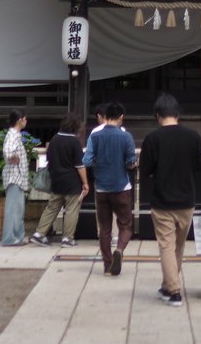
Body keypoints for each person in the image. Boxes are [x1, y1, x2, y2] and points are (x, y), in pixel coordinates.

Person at [138, 92, 201, 307]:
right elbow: (200, 167)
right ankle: (168, 284)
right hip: (186, 200)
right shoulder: (193, 137)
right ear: (177, 113)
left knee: (167, 246)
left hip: (162, 200)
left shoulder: (152, 139)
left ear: (158, 114)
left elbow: (145, 170)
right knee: (178, 246)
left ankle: (174, 290)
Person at [82, 101, 137, 276]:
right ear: (121, 116)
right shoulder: (126, 137)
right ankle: (119, 250)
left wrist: (100, 165)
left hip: (101, 188)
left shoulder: (95, 136)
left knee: (104, 228)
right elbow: (131, 162)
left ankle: (107, 266)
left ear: (105, 116)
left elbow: (86, 160)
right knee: (126, 224)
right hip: (121, 187)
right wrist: (128, 165)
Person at [30, 113, 89, 247]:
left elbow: (49, 159)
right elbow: (79, 165)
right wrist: (85, 182)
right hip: (72, 182)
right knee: (71, 209)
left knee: (51, 208)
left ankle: (39, 234)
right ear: (75, 127)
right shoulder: (74, 141)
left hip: (56, 180)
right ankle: (67, 238)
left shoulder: (54, 139)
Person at [1, 109, 30, 246]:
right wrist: (14, 157)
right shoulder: (13, 135)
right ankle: (11, 238)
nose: (26, 121)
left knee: (17, 209)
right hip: (15, 176)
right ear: (20, 120)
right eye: (25, 119)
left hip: (15, 177)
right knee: (14, 210)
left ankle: (16, 237)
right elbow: (8, 150)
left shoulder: (14, 134)